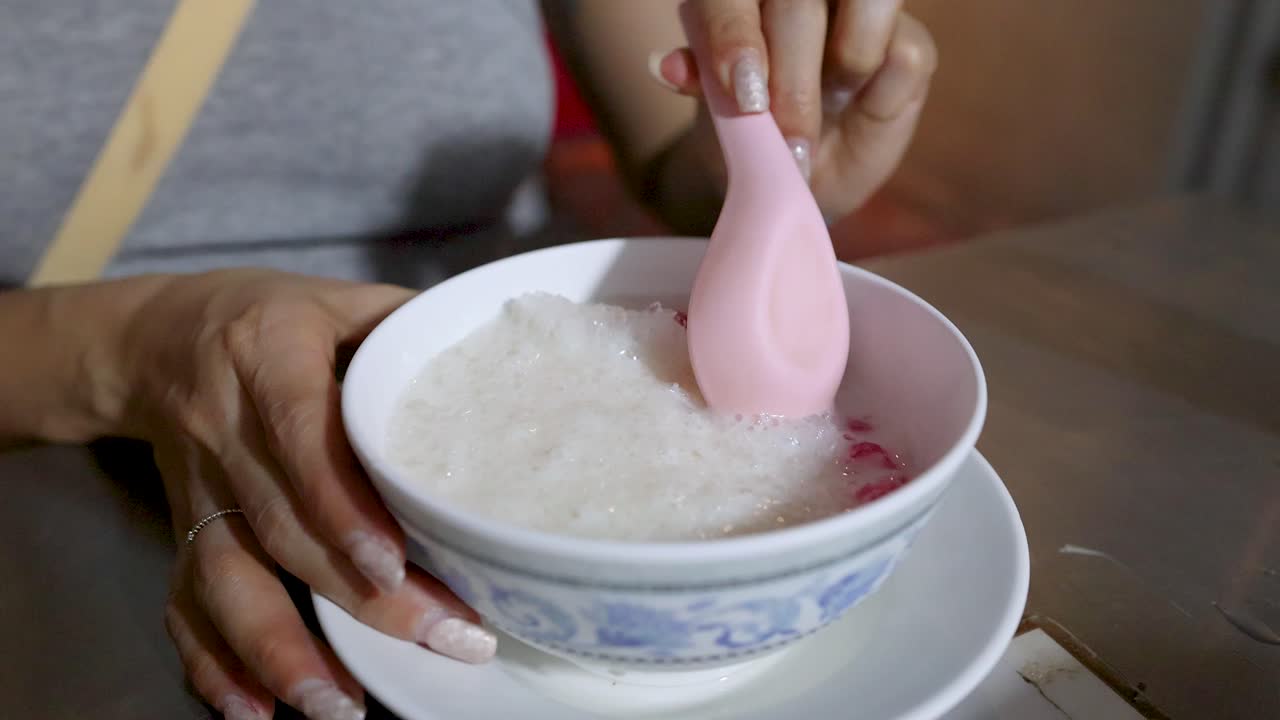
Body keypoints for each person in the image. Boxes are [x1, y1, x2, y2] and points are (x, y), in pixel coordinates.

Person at [0, 1, 935, 718]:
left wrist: (772, 154)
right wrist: (139, 343)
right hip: (72, 462)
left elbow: (670, 158)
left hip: (525, 363)